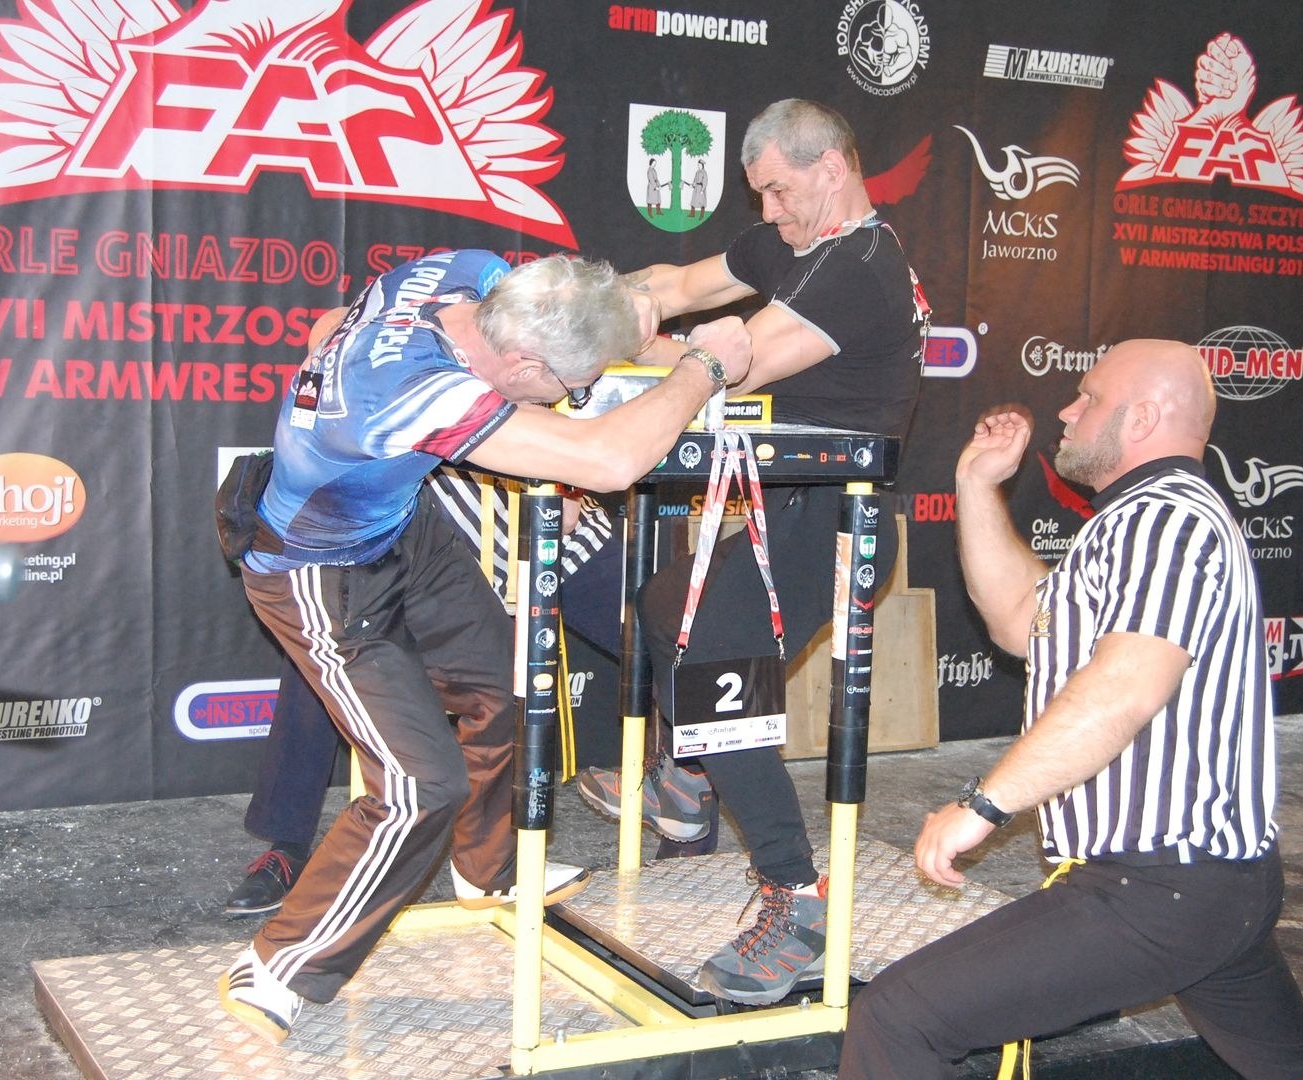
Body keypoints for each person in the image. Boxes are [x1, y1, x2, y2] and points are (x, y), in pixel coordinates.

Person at [217, 248, 750, 1044]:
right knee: (417, 785)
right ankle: (279, 966)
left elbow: (330, 324)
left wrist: (626, 314)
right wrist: (702, 368)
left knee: (505, 681)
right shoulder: (416, 391)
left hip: (404, 527)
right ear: (523, 363)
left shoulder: (464, 272)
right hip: (315, 571)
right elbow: (608, 460)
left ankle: (486, 871)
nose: (570, 401)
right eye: (566, 388)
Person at [839, 340, 1303, 1078]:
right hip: (1200, 886)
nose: (1066, 412)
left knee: (898, 1019)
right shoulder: (1136, 520)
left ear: (1143, 418)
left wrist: (983, 805)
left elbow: (1124, 688)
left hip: (1160, 888)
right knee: (1301, 1071)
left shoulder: (1167, 520)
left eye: (1089, 398)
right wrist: (975, 484)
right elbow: (1020, 617)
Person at [575, 98, 931, 1005]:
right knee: (663, 605)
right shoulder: (796, 244)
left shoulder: (861, 269)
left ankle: (796, 901)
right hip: (788, 515)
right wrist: (604, 307)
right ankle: (687, 782)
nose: (767, 212)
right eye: (759, 193)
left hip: (841, 527)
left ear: (832, 169)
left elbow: (731, 361)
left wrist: (587, 358)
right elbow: (681, 284)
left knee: (709, 663)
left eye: (779, 190)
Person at [223, 463, 629, 918]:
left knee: (649, 635)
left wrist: (567, 473)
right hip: (429, 528)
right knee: (324, 653)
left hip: (545, 525)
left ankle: (681, 794)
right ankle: (288, 844)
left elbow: (572, 498)